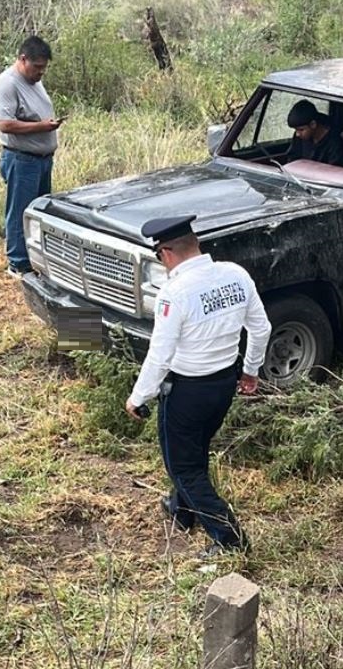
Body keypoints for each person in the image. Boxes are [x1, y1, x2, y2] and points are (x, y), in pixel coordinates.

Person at [125, 215, 272, 558]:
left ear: (166, 254)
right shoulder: (236, 274)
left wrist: (137, 397)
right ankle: (182, 510)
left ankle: (229, 539)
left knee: (184, 467)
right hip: (223, 384)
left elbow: (160, 355)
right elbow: (261, 328)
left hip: (187, 391)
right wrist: (250, 372)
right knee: (195, 448)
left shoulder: (174, 293)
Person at [0, 35, 61, 277]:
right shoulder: (7, 83)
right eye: (37, 67)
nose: (41, 72)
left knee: (39, 211)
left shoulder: (34, 81)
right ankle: (18, 263)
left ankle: (36, 257)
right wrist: (43, 127)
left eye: (44, 68)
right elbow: (5, 124)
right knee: (20, 211)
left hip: (41, 159)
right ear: (23, 59)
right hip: (22, 160)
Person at [285, 99, 343, 168]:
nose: (297, 134)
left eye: (301, 130)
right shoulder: (300, 137)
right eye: (296, 130)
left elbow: (336, 171)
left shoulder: (334, 142)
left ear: (313, 124)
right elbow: (292, 160)